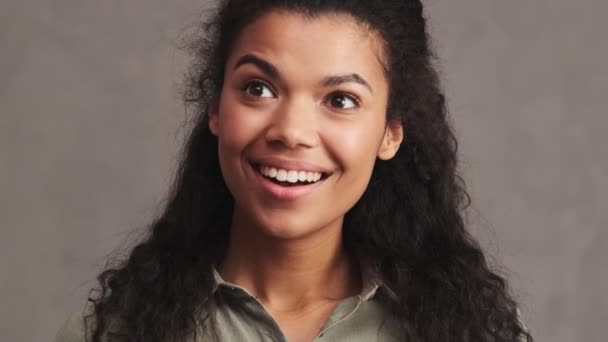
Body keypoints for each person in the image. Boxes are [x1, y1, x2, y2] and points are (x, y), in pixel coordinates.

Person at [54, 0, 532, 341]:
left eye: (341, 100)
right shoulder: (111, 332)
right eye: (259, 89)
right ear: (215, 107)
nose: (292, 131)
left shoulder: (468, 333)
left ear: (390, 132)